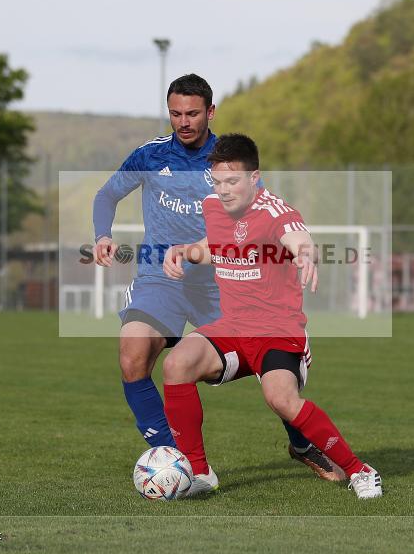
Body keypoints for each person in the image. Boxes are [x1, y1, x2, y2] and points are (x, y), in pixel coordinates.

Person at [92, 74, 342, 481]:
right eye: (175, 114)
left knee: (272, 371)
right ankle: (174, 459)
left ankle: (302, 444)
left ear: (210, 112)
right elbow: (106, 194)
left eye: (192, 113)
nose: (183, 121)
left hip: (223, 281)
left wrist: (297, 246)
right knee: (132, 355)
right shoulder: (150, 155)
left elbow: (267, 211)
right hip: (163, 278)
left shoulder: (227, 162)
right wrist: (102, 235)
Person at [160, 133, 383, 499]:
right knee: (176, 364)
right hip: (232, 326)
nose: (224, 189)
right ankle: (200, 474)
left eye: (232, 181)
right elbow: (215, 248)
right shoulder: (213, 206)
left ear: (254, 177)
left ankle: (361, 471)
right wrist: (185, 251)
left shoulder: (275, 210)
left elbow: (298, 236)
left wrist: (305, 255)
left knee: (279, 398)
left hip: (277, 331)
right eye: (217, 182)